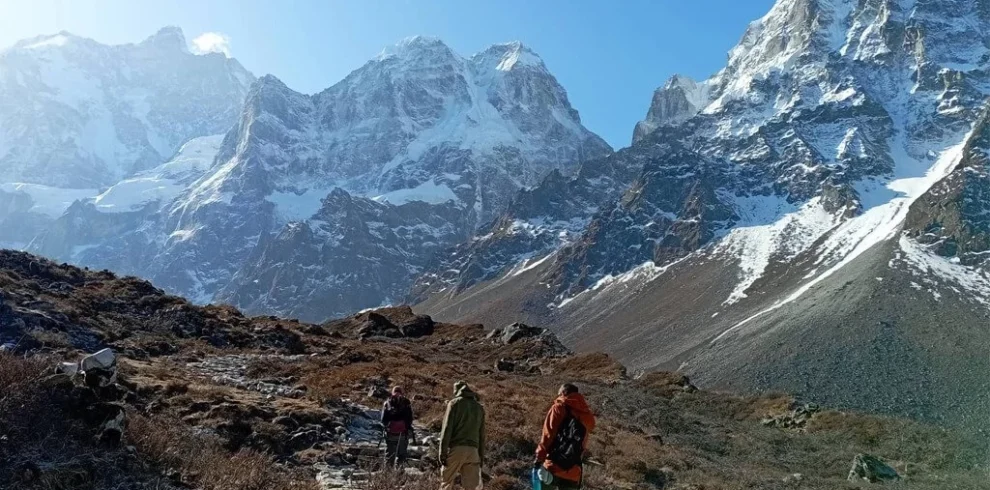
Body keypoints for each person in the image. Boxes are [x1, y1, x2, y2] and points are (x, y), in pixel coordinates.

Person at [534, 383, 596, 489]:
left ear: (563, 393)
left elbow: (548, 435)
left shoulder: (559, 407)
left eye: (559, 394)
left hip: (553, 466)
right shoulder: (587, 416)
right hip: (574, 471)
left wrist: (539, 458)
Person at [439, 381, 486, 490]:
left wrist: (442, 452)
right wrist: (481, 457)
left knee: (446, 482)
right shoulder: (479, 408)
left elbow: (447, 429)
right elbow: (482, 436)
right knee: (471, 487)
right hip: (473, 451)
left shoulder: (454, 403)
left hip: (457, 448)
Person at [381, 386, 415, 468]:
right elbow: (410, 418)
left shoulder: (387, 402)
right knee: (402, 455)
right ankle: (399, 475)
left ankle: (387, 475)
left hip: (391, 433)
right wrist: (407, 427)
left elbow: (383, 419)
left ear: (392, 392)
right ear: (402, 392)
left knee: (390, 455)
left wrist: (387, 427)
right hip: (403, 434)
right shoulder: (406, 402)